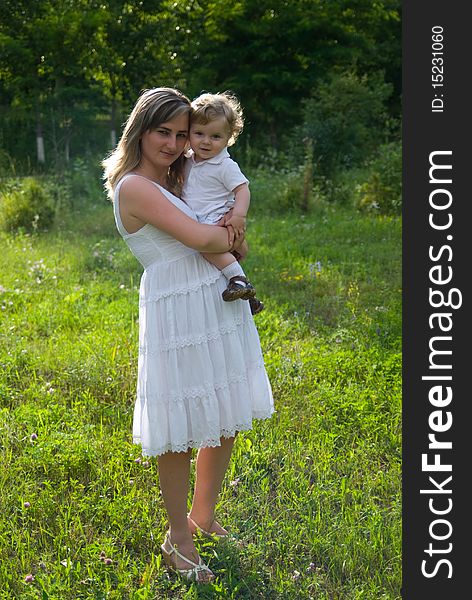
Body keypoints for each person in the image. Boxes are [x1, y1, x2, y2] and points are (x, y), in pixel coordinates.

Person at [102, 87, 274, 583]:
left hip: (215, 298)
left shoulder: (186, 174)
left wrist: (231, 229)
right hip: (176, 306)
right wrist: (232, 233)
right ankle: (177, 537)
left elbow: (220, 226)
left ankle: (204, 513)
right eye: (164, 131)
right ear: (140, 130)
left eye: (182, 133)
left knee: (223, 411)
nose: (176, 143)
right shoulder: (134, 185)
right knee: (180, 427)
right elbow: (202, 237)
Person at [182, 91, 264, 315]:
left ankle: (239, 280)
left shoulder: (224, 165)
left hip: (215, 217)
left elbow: (242, 189)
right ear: (189, 133)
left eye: (215, 136)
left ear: (229, 137)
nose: (206, 141)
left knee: (206, 248)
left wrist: (238, 216)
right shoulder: (188, 159)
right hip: (199, 217)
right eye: (199, 133)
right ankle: (250, 300)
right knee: (211, 261)